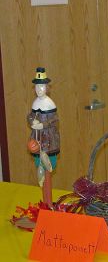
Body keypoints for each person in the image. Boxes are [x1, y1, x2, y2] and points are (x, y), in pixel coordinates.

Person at [27, 67, 60, 207]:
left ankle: (49, 203)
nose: (39, 89)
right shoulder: (35, 103)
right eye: (37, 86)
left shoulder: (50, 103)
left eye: (42, 86)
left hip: (49, 142)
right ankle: (44, 204)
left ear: (47, 87)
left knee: (48, 172)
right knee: (40, 172)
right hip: (37, 140)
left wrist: (43, 125)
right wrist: (31, 121)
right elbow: (30, 116)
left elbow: (55, 120)